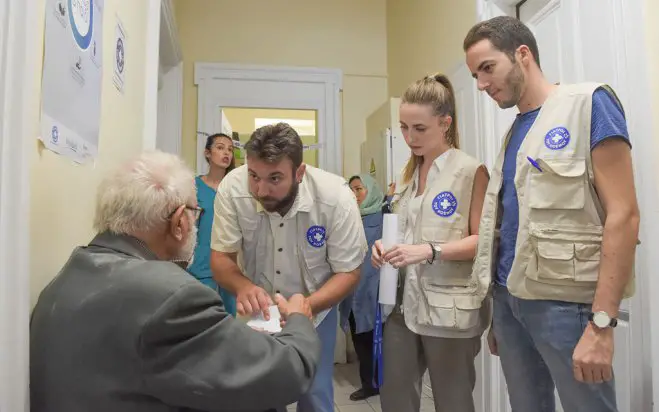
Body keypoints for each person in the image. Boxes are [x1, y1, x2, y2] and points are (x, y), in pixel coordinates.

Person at [30, 151, 321, 412]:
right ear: (180, 221)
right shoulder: (172, 295)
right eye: (196, 213)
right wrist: (298, 320)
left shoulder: (65, 280)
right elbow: (288, 372)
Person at [464, 16, 640, 412]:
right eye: (476, 75)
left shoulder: (590, 103)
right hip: (510, 303)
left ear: (522, 54)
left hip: (566, 309)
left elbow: (624, 215)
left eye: (487, 68)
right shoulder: (515, 131)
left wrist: (602, 323)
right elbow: (510, 225)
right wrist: (498, 316)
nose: (481, 84)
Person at [211, 123, 368, 412]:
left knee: (315, 394)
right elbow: (221, 258)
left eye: (275, 178)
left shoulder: (336, 197)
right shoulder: (232, 189)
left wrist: (307, 306)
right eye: (254, 176)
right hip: (257, 312)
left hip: (316, 310)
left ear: (299, 172)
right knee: (258, 396)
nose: (261, 189)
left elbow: (350, 271)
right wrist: (244, 287)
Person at [371, 73, 490, 412]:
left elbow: (483, 242)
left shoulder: (469, 171)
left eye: (419, 129)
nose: (409, 137)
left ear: (445, 123)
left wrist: (430, 251)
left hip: (447, 310)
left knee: (453, 401)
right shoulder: (406, 175)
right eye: (404, 128)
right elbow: (405, 232)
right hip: (400, 304)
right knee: (395, 398)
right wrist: (381, 248)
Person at [339, 174, 386, 401]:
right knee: (360, 338)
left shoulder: (384, 217)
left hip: (374, 289)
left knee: (377, 338)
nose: (355, 195)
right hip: (352, 288)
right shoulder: (349, 217)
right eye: (352, 190)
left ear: (371, 190)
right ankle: (368, 383)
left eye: (359, 189)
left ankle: (381, 382)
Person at [188, 132, 237, 316]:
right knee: (201, 317)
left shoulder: (235, 189)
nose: (226, 153)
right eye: (220, 147)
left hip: (230, 263)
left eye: (230, 149)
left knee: (229, 319)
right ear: (207, 153)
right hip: (201, 263)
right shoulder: (193, 186)